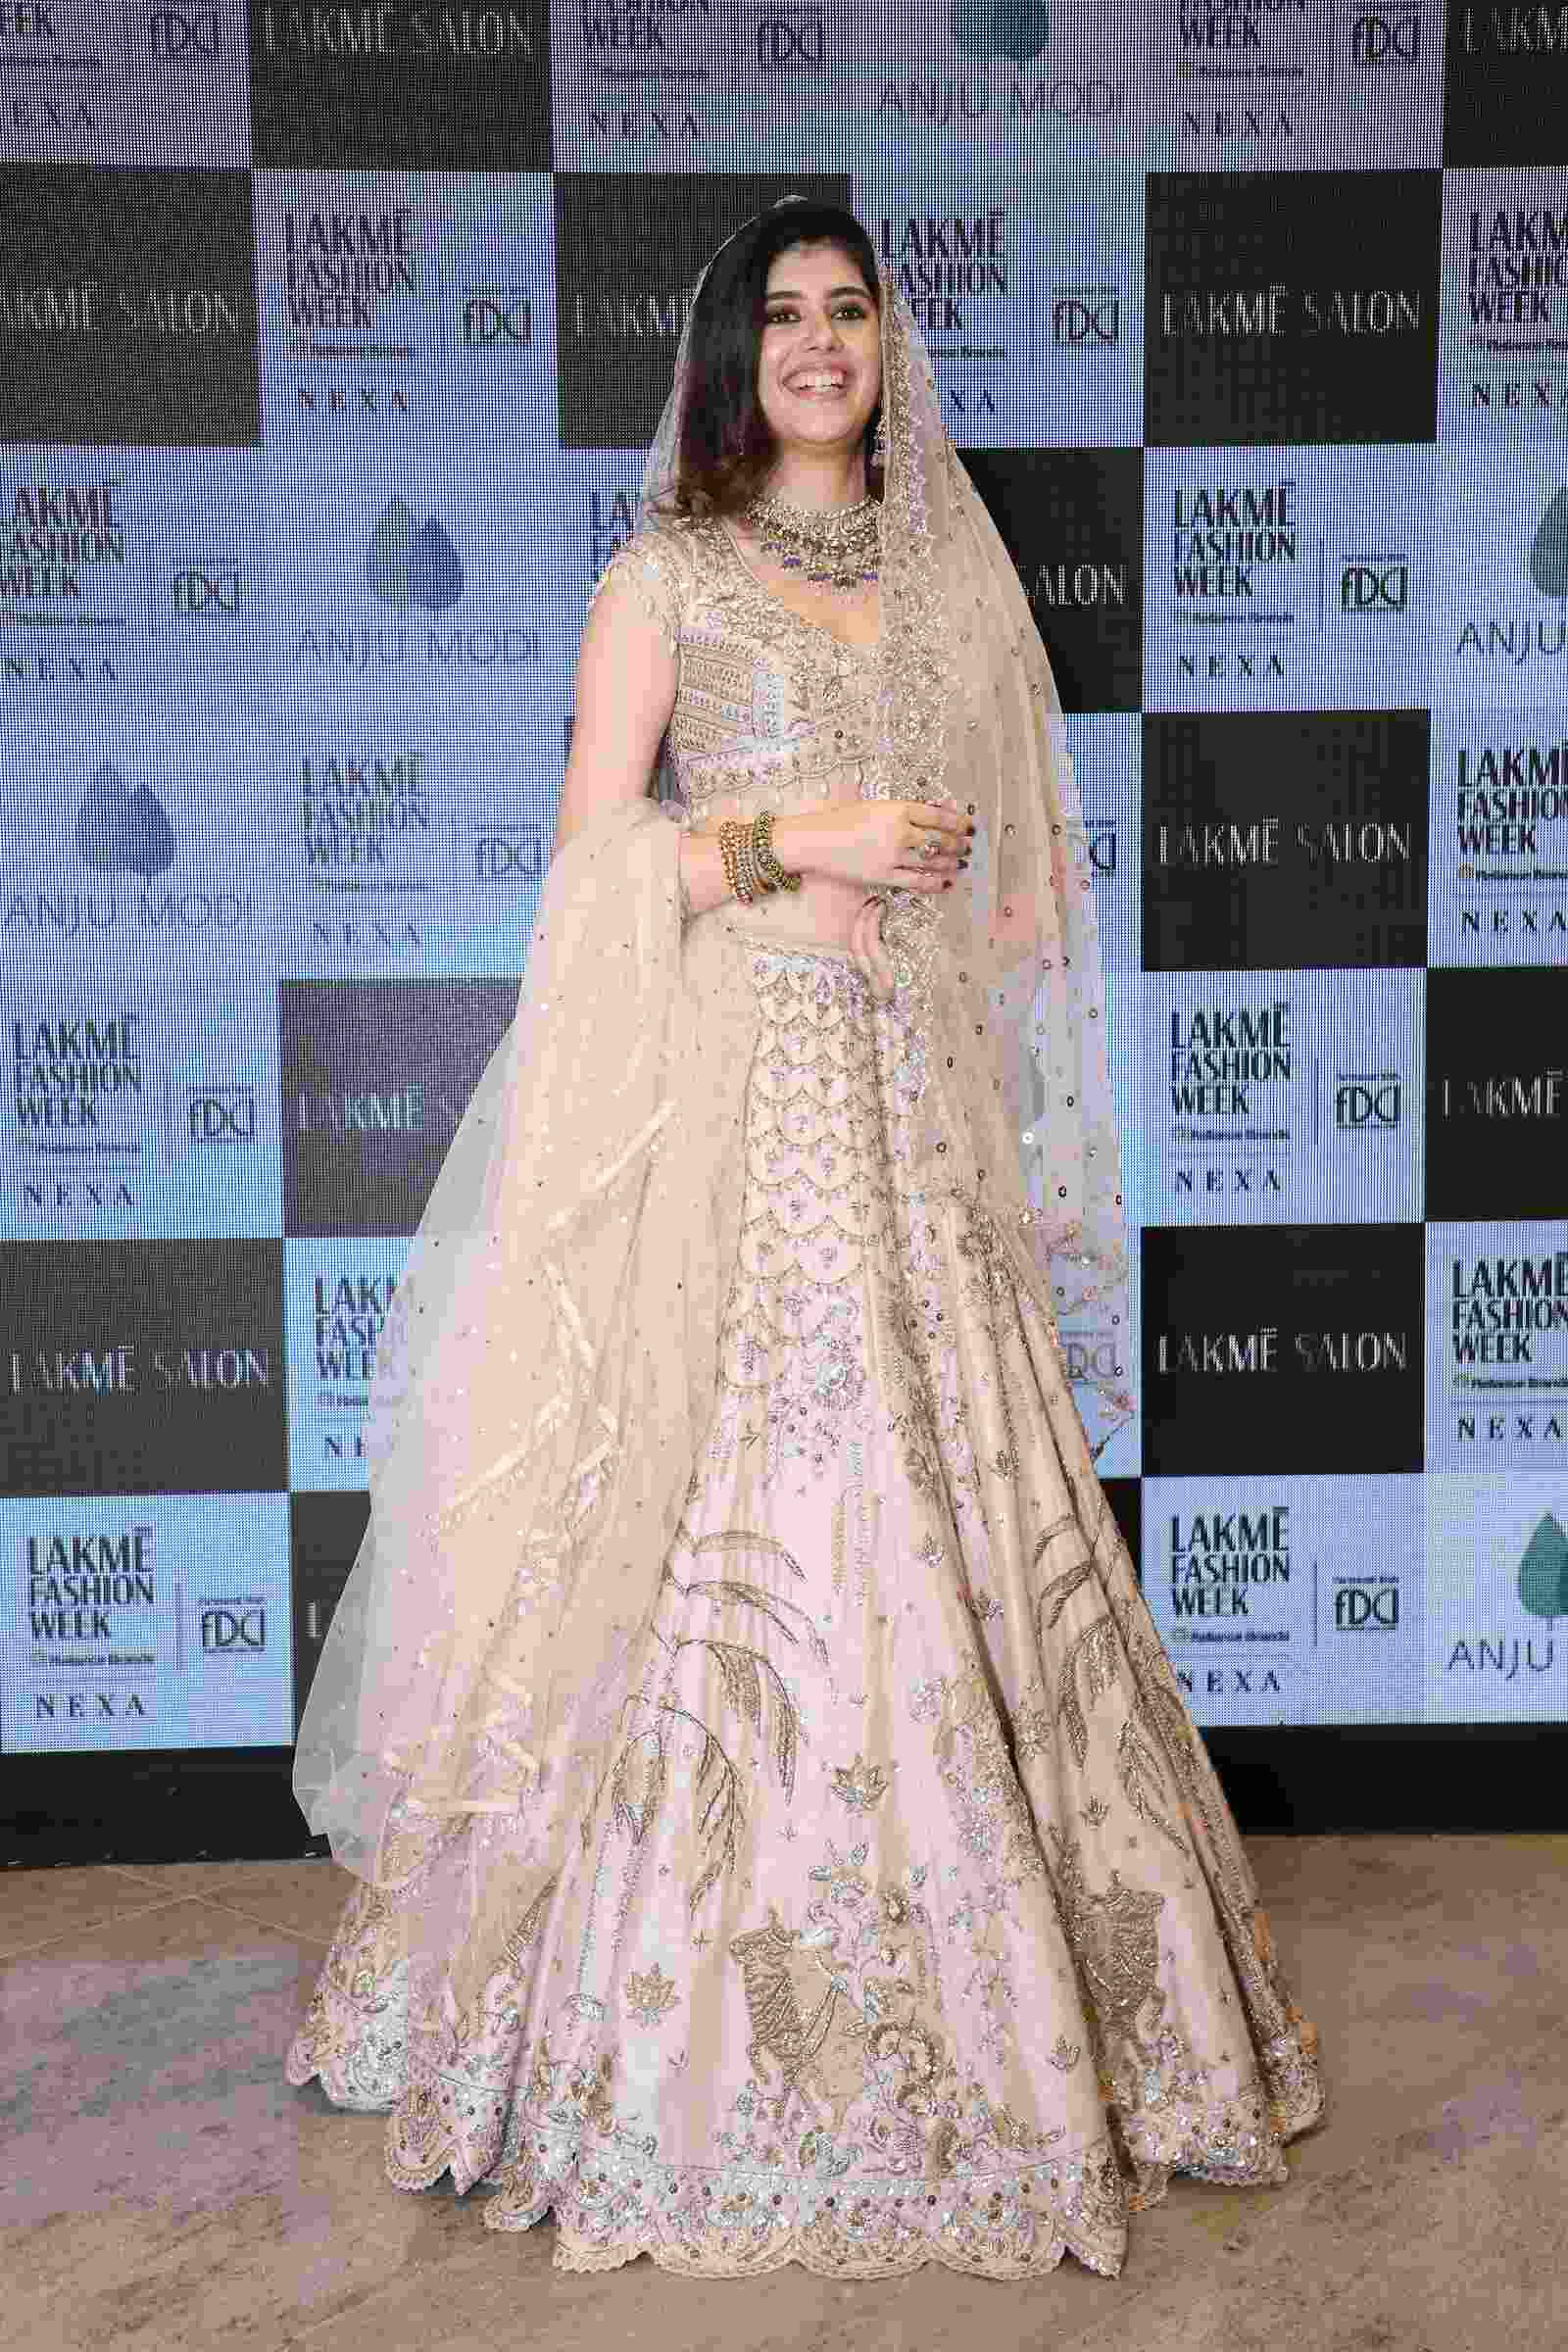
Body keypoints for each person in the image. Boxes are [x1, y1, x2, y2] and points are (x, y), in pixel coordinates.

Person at [286, 199, 1323, 2284]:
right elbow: (592, 882)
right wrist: (795, 841)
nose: (821, 344)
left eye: (850, 310)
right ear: (728, 354)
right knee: (746, 1527)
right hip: (736, 1142)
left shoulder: (951, 581)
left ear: (887, 346)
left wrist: (942, 903)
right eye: (782, 315)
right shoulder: (662, 575)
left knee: (961, 1519)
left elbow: (1022, 895)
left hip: (915, 1125)